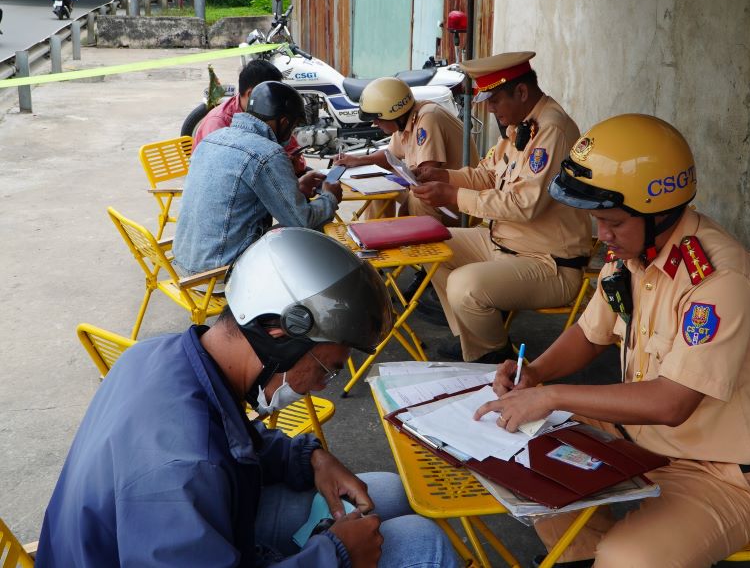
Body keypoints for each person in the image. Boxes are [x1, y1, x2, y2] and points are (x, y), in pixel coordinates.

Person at [36, 228, 461, 568]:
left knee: (381, 491)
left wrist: (308, 458)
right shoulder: (182, 469)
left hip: (170, 538)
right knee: (423, 544)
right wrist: (335, 555)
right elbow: (199, 459)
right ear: (279, 334)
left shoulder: (164, 356)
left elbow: (227, 441)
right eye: (327, 366)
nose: (322, 384)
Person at [472, 114, 750, 568]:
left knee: (627, 559)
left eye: (612, 222)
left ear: (660, 212)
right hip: (636, 441)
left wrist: (550, 395)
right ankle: (575, 556)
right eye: (596, 221)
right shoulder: (631, 255)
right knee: (520, 450)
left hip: (718, 472)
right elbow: (590, 334)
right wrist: (535, 373)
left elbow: (671, 404)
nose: (602, 236)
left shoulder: (718, 279)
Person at [410, 51, 592, 363]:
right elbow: (488, 174)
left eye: (494, 100)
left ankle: (494, 355)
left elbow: (524, 206)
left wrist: (452, 196)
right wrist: (443, 176)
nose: (490, 108)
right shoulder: (521, 125)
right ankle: (475, 339)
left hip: (550, 263)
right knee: (428, 243)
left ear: (521, 92)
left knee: (463, 286)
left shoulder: (551, 130)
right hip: (504, 245)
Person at [172, 81, 339, 274]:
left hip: (184, 263)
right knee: (313, 231)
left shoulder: (212, 138)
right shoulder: (268, 153)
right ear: (284, 122)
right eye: (293, 127)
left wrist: (296, 187)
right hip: (219, 273)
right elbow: (302, 220)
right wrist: (330, 197)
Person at [332, 77, 478, 227]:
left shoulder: (428, 118)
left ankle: (423, 245)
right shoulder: (406, 119)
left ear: (393, 113)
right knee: (378, 185)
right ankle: (377, 235)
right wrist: (358, 160)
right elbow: (390, 156)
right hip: (444, 197)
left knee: (418, 196)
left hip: (462, 204)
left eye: (377, 118)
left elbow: (425, 175)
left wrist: (403, 212)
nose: (374, 123)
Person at [193, 59, 309, 177]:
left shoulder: (270, 114)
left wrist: (294, 163)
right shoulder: (219, 122)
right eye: (273, 95)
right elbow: (220, 173)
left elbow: (294, 151)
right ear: (252, 93)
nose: (277, 100)